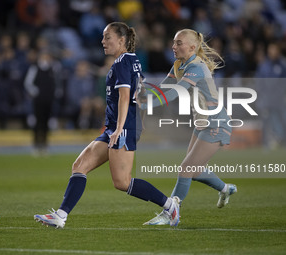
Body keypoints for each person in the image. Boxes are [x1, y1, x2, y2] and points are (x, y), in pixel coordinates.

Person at [34, 22, 179, 228]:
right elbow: (142, 94)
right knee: (79, 166)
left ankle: (170, 205)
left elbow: (125, 96)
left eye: (107, 37)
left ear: (121, 40)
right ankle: (60, 215)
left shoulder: (121, 63)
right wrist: (140, 122)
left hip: (121, 128)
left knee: (122, 182)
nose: (103, 41)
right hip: (118, 127)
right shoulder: (131, 60)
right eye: (103, 37)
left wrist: (121, 128)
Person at [142, 29, 237, 226]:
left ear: (192, 47)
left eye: (179, 43)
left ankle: (171, 213)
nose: (173, 46)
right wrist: (141, 90)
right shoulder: (179, 64)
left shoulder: (196, 67)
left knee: (186, 168)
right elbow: (164, 88)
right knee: (193, 170)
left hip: (216, 123)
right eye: (174, 42)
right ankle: (225, 189)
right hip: (203, 123)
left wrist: (145, 103)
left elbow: (175, 92)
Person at [24, 51, 59, 155]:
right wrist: (35, 92)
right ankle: (35, 144)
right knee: (37, 122)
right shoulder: (35, 68)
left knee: (46, 122)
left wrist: (54, 93)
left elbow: (56, 83)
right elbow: (28, 82)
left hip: (49, 99)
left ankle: (45, 144)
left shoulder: (53, 68)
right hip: (38, 100)